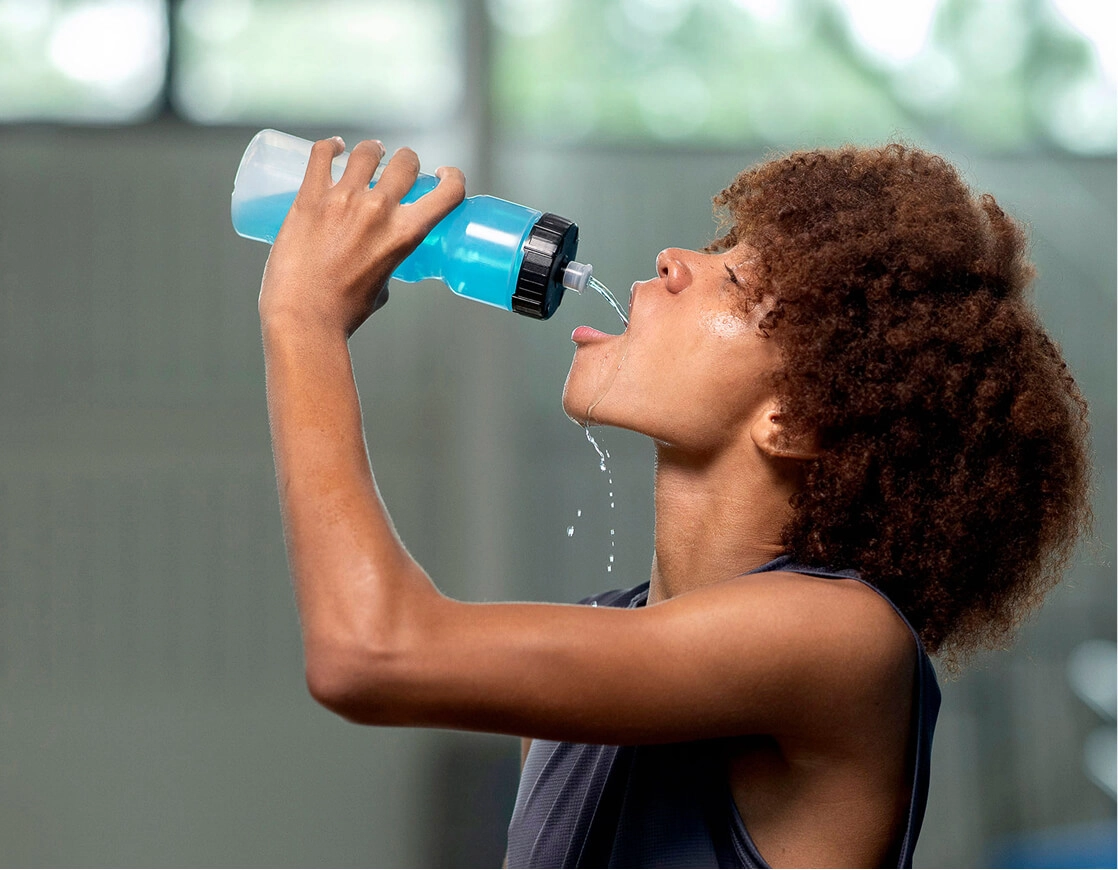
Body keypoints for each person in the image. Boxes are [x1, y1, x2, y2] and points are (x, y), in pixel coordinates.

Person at [256, 138, 1091, 868]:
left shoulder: (842, 641)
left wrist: (303, 318)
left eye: (736, 279)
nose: (669, 260)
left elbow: (368, 652)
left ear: (797, 418)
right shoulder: (579, 683)